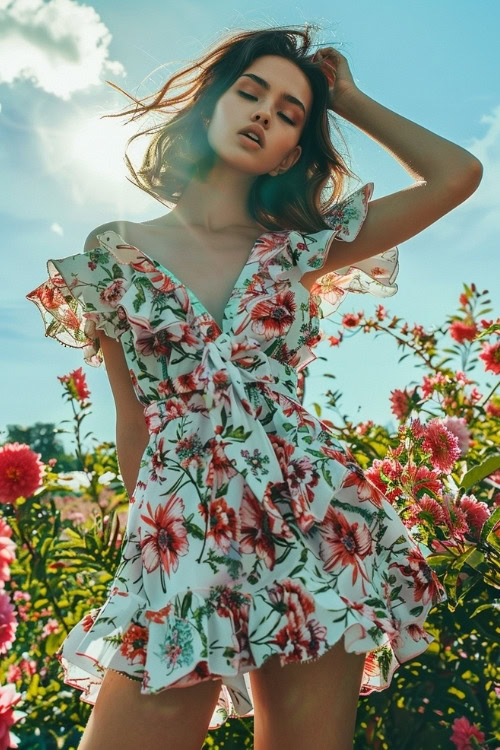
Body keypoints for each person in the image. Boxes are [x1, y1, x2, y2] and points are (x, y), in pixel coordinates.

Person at [25, 23, 482, 750]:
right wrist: (151, 552)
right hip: (183, 536)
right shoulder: (112, 253)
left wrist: (350, 99)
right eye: (250, 92)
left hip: (312, 524)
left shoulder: (303, 243)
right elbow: (132, 420)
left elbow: (456, 175)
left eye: (290, 111)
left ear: (291, 150)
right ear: (212, 105)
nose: (265, 111)